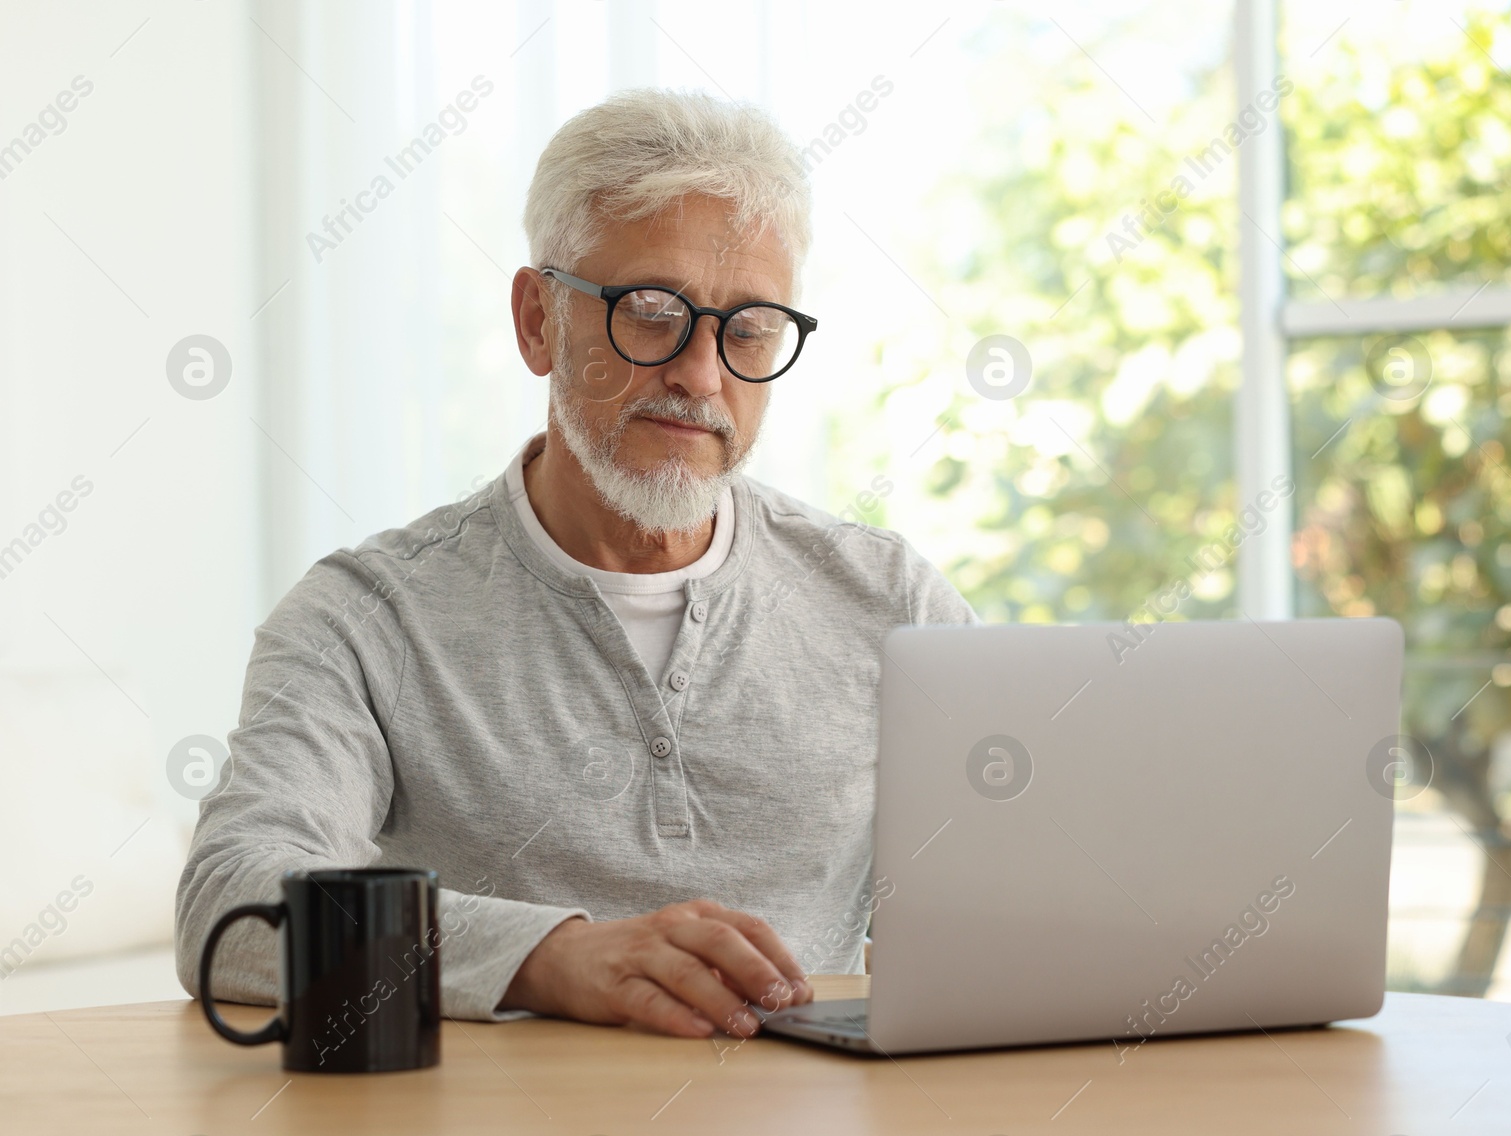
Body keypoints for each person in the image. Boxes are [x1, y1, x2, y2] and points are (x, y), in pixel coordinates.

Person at [176, 88, 976, 1040]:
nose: (702, 375)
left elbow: (1032, 886)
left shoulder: (892, 602)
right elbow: (229, 913)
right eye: (651, 312)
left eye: (749, 328)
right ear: (536, 321)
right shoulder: (367, 616)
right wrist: (553, 958)